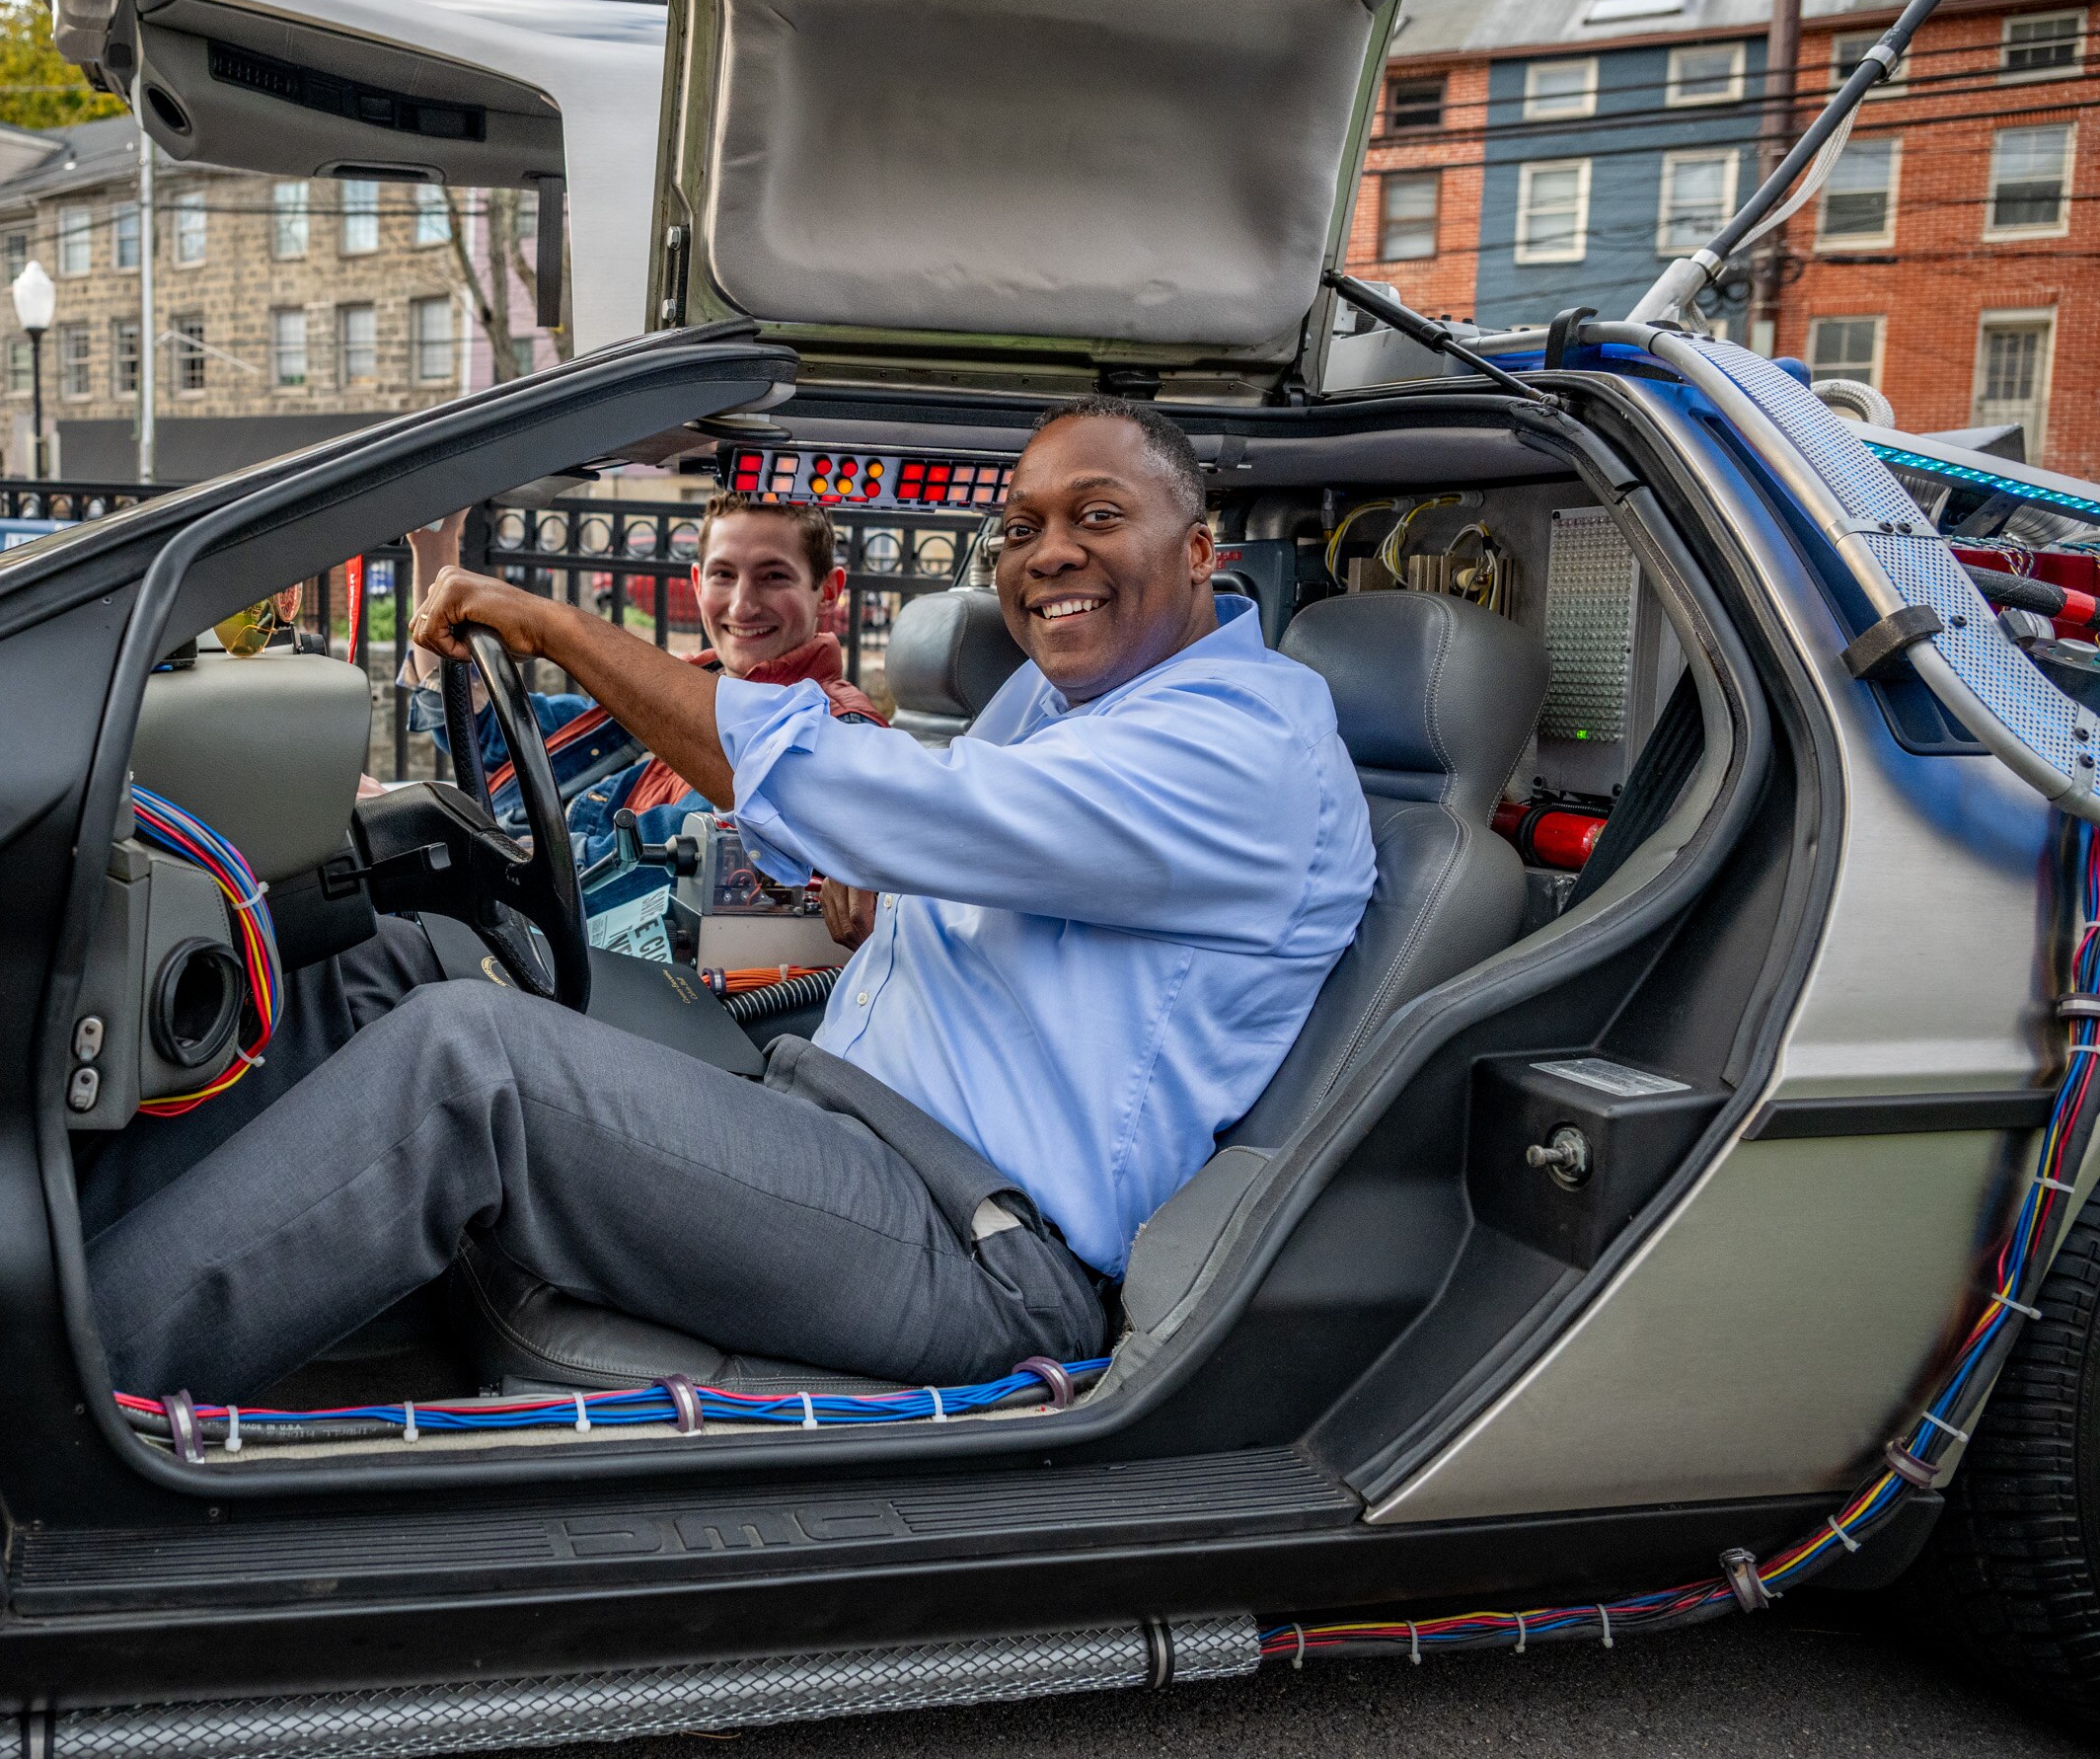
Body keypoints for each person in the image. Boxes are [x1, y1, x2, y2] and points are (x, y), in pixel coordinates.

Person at [85, 399, 1375, 1405]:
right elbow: (968, 838)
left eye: (1095, 516)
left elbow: (885, 802)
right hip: (822, 1103)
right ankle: (54, 1259)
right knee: (402, 960)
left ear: (1200, 547)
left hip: (978, 1239)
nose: (1046, 558)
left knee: (464, 1062)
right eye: (1022, 528)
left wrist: (556, 628)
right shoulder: (1090, 696)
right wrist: (896, 886)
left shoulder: (1244, 748)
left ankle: (72, 1392)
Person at [420, 495, 881, 903]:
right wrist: (433, 545)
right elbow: (486, 729)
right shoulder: (700, 687)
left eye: (774, 577)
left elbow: (622, 870)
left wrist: (447, 845)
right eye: (724, 574)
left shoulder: (831, 736)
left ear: (829, 593)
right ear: (698, 583)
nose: (742, 605)